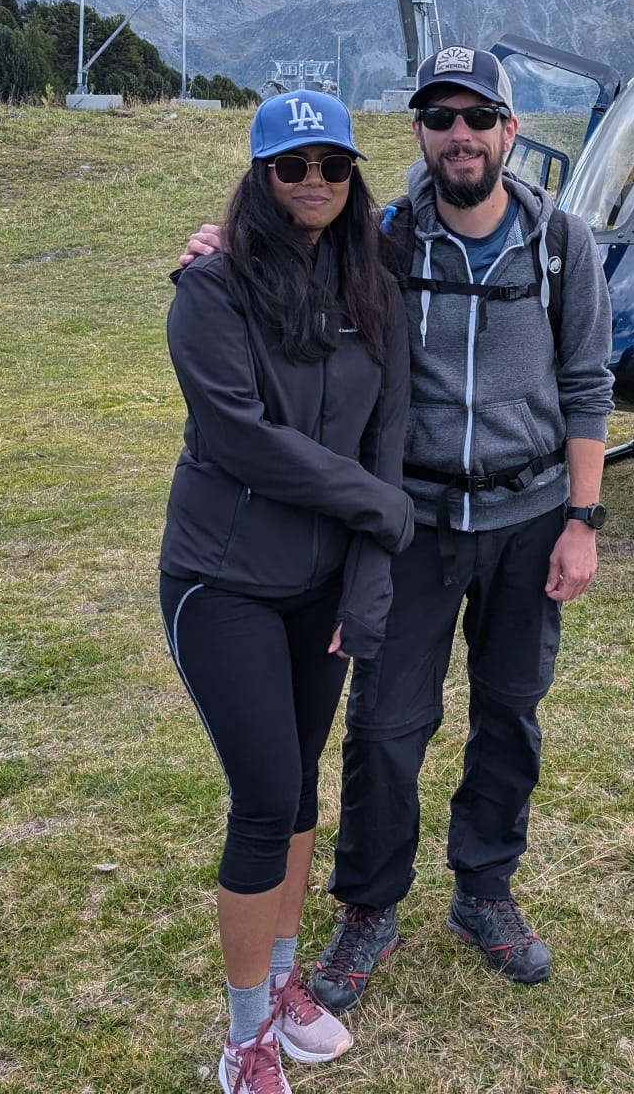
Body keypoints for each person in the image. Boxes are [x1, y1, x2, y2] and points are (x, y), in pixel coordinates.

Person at [180, 45, 615, 1009]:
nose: (459, 134)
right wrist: (219, 244)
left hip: (529, 515)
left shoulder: (562, 245)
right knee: (384, 725)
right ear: (419, 134)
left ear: (509, 130)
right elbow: (288, 248)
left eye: (477, 116)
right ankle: (369, 905)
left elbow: (589, 385)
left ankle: (485, 891)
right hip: (410, 518)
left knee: (509, 710)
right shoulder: (381, 237)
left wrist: (582, 518)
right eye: (439, 116)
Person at [160, 89, 416, 1094]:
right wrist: (382, 510)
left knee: (301, 788)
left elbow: (384, 427)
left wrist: (368, 572)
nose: (314, 183)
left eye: (334, 166)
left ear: (354, 178)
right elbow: (236, 437)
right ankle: (243, 1037)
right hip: (221, 582)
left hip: (321, 585)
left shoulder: (370, 277)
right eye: (291, 166)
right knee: (265, 800)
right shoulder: (212, 286)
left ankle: (280, 986)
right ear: (260, 177)